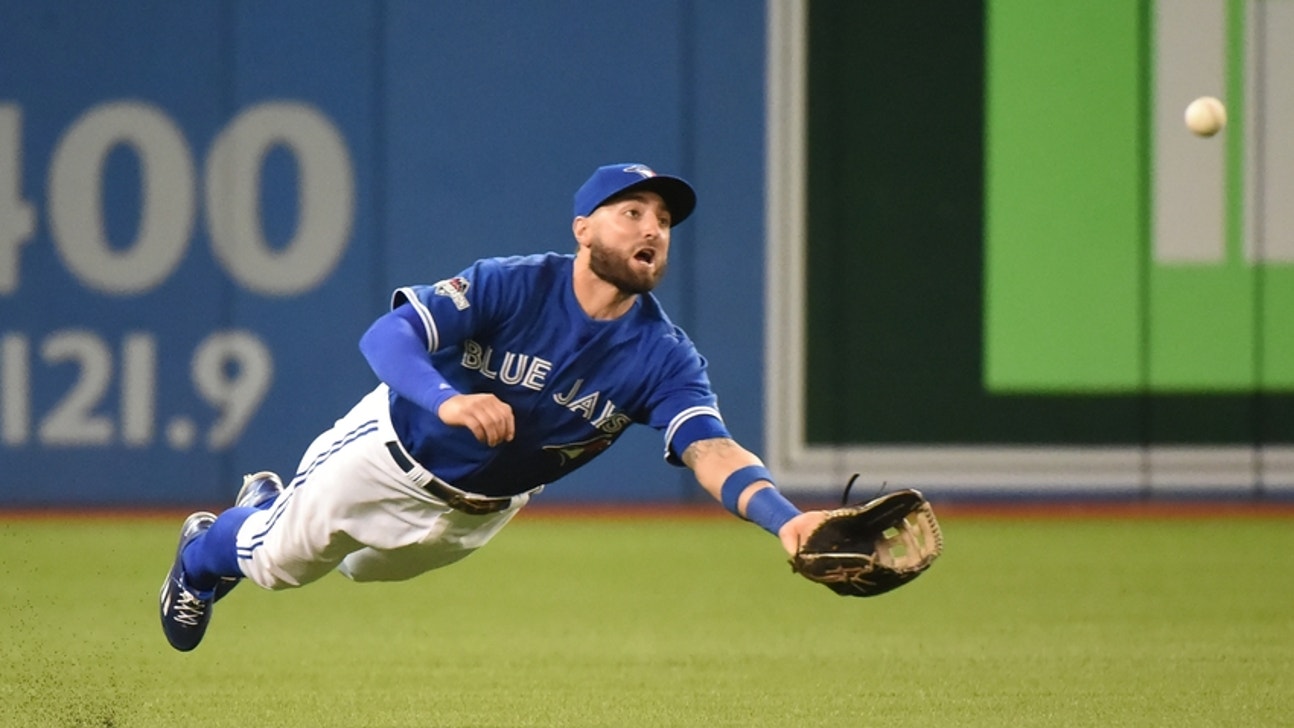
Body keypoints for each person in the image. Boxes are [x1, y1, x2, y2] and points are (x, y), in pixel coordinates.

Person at [159, 162, 830, 652]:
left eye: (663, 220)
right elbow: (387, 335)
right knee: (280, 566)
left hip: (476, 515)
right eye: (633, 212)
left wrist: (787, 521)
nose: (652, 227)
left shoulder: (664, 356)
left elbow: (711, 449)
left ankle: (273, 507)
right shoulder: (513, 285)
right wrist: (448, 401)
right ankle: (201, 555)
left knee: (362, 570)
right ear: (583, 228)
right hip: (387, 455)